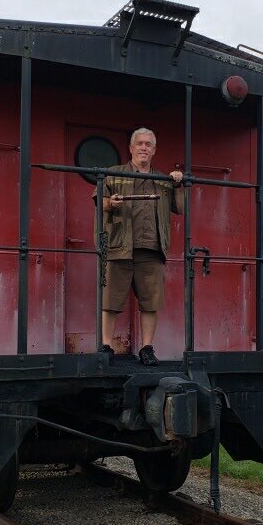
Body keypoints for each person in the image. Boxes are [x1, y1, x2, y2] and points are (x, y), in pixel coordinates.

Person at [93, 127, 184, 365]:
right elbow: (99, 200)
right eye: (140, 143)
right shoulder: (113, 173)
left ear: (154, 150)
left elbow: (180, 208)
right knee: (110, 300)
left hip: (151, 249)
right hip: (119, 246)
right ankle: (106, 347)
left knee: (150, 302)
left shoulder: (164, 180)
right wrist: (110, 203)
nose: (144, 148)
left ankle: (147, 349)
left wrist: (178, 183)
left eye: (148, 144)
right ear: (131, 148)